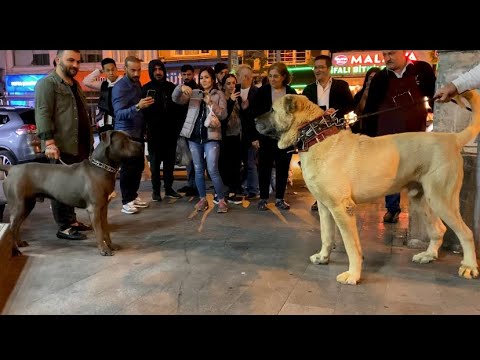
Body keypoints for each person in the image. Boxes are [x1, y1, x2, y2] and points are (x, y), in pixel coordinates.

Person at [363, 50, 436, 223]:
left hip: (414, 135)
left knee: (416, 173)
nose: (387, 58)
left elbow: (434, 95)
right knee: (392, 174)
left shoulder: (421, 70)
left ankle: (421, 212)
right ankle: (392, 208)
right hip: (387, 136)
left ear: (404, 52)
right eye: (384, 55)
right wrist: (367, 138)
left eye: (391, 53)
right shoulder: (380, 78)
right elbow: (370, 109)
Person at [35, 50, 94, 241]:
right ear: (57, 60)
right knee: (60, 188)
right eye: (70, 60)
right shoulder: (47, 84)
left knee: (72, 187)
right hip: (61, 147)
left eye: (78, 61)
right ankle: (64, 227)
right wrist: (49, 142)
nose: (75, 65)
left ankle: (72, 221)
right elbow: (43, 113)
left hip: (79, 146)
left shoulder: (74, 85)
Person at [302, 55, 355, 211]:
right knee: (319, 166)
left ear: (329, 68)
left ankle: (342, 198)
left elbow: (350, 105)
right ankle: (319, 199)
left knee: (338, 165)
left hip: (336, 130)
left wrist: (336, 111)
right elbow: (304, 110)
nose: (318, 70)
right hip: (316, 133)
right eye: (316, 67)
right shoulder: (309, 88)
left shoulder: (341, 85)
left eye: (321, 67)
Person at [172, 66, 228, 213]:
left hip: (212, 137)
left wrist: (211, 103)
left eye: (207, 77)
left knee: (212, 169)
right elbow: (176, 99)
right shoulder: (194, 93)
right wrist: (180, 87)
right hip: (194, 138)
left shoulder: (219, 94)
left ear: (212, 79)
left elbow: (223, 115)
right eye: (201, 78)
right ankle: (202, 199)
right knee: (198, 169)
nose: (204, 80)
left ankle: (221, 200)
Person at [111, 56, 154, 214]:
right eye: (133, 70)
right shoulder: (120, 87)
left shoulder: (136, 84)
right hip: (125, 134)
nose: (137, 73)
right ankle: (126, 201)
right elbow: (119, 114)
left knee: (137, 167)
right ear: (125, 70)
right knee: (128, 169)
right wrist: (138, 106)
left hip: (137, 133)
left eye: (139, 70)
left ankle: (132, 196)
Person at [252, 62, 297, 211]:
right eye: (270, 76)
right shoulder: (262, 92)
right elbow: (254, 115)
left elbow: (296, 115)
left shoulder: (291, 92)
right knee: (264, 168)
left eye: (276, 76)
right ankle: (263, 198)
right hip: (266, 137)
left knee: (282, 169)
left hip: (285, 138)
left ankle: (280, 198)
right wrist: (255, 137)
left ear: (284, 77)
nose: (272, 79)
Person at [142, 59, 183, 201]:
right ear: (151, 72)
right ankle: (156, 191)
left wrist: (178, 130)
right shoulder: (146, 89)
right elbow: (143, 112)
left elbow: (178, 109)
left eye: (160, 69)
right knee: (154, 164)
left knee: (169, 164)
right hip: (154, 134)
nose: (158, 72)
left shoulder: (171, 87)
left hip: (170, 134)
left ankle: (169, 188)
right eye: (155, 70)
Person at [236, 64, 260, 199]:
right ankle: (238, 187)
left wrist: (256, 137)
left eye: (239, 76)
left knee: (250, 164)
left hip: (251, 135)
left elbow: (258, 117)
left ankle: (253, 190)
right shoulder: (235, 91)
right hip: (236, 135)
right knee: (237, 164)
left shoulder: (257, 93)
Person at [176, 64, 199, 197]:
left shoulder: (196, 89)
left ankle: (195, 185)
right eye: (184, 75)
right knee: (187, 159)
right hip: (184, 128)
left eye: (188, 74)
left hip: (194, 129)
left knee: (194, 159)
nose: (186, 77)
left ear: (193, 74)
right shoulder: (181, 88)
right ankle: (191, 184)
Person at [82, 57, 122, 134]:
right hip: (105, 122)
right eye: (107, 70)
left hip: (120, 121)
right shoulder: (103, 84)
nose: (111, 73)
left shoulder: (123, 82)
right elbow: (86, 81)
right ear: (103, 71)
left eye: (113, 69)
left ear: (116, 69)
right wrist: (99, 71)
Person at [351, 66, 381, 132]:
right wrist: (365, 95)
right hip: (361, 129)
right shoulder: (359, 95)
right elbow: (357, 112)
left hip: (378, 129)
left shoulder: (383, 95)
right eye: (370, 78)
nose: (371, 81)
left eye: (374, 78)